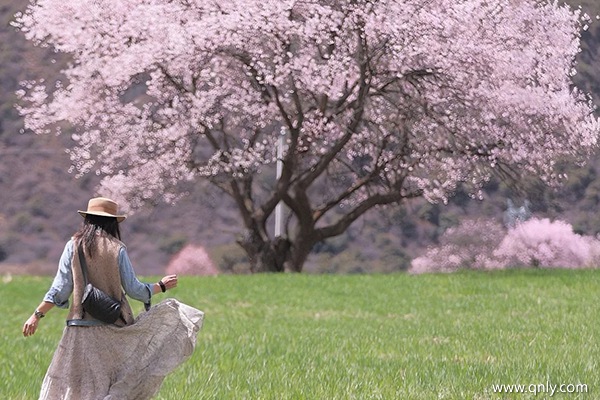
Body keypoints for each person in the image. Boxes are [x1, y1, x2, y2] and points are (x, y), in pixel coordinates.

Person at [22, 197, 204, 399]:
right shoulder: (117, 249)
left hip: (78, 328)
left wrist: (37, 315)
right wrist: (160, 286)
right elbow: (134, 289)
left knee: (74, 388)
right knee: (108, 387)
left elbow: (60, 289)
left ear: (88, 219)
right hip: (113, 328)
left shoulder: (73, 246)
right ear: (113, 222)